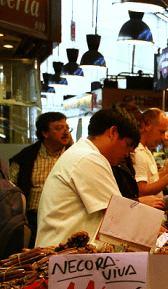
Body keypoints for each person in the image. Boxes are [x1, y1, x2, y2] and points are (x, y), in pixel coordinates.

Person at [36, 106, 141, 247]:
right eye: (127, 145)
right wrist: (163, 236)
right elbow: (120, 215)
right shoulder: (88, 158)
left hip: (70, 257)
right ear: (113, 132)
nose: (127, 154)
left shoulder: (83, 153)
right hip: (64, 261)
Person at [9, 112, 72, 247]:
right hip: (33, 220)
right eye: (59, 128)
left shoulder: (74, 156)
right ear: (45, 133)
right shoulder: (25, 158)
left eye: (67, 128)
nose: (66, 132)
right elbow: (12, 193)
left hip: (66, 218)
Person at [113, 102, 165, 209]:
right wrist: (140, 202)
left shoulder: (127, 159)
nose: (130, 151)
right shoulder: (103, 163)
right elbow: (110, 206)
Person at [132, 108, 168, 198]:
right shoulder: (137, 152)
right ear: (147, 126)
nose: (164, 137)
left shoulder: (145, 150)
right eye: (161, 132)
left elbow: (151, 180)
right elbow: (141, 191)